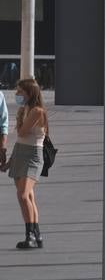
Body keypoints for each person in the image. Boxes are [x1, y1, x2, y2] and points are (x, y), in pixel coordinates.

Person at [9, 79, 47, 250]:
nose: (17, 95)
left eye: (20, 92)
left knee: (23, 195)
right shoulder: (24, 109)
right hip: (20, 152)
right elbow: (20, 138)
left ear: (29, 93)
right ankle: (36, 234)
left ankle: (29, 234)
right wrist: (9, 161)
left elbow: (23, 131)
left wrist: (19, 118)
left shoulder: (37, 111)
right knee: (29, 196)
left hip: (32, 155)